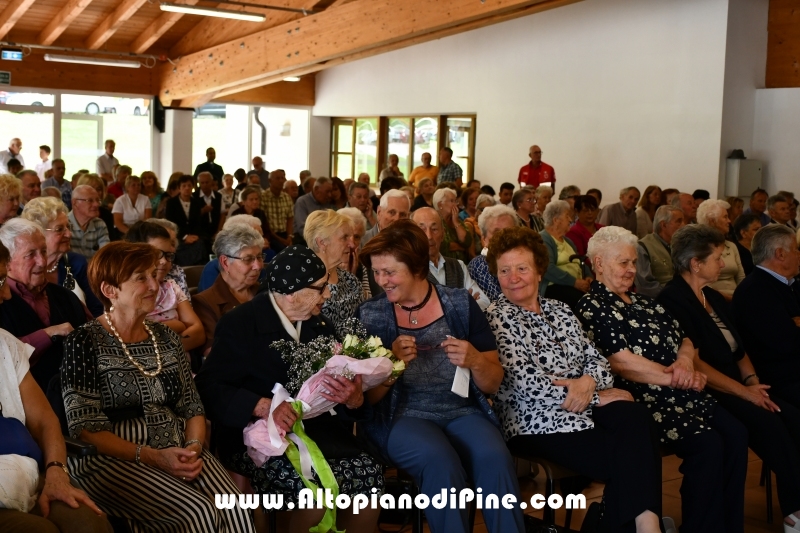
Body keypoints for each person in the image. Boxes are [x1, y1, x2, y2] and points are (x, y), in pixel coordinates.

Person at [58, 241, 253, 532]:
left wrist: (193, 448)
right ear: (110, 290)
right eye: (141, 278)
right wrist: (153, 457)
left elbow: (192, 406)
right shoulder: (85, 341)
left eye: (154, 275)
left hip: (177, 446)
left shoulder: (166, 337)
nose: (155, 284)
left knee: (237, 508)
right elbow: (85, 428)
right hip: (111, 457)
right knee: (197, 513)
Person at [485, 226, 665, 533]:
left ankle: (642, 525)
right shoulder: (498, 316)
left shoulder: (560, 309)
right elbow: (524, 382)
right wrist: (596, 396)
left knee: (635, 417)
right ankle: (644, 525)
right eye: (504, 270)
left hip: (580, 411)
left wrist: (589, 384)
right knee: (632, 460)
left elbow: (597, 362)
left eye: (521, 268)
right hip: (534, 421)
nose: (513, 277)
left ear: (540, 271)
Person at [195, 246, 382, 533]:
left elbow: (335, 384)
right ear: (292, 292)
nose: (328, 295)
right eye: (320, 288)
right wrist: (262, 406)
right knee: (311, 496)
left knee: (368, 477)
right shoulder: (241, 323)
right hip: (259, 437)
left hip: (318, 432)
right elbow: (209, 387)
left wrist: (354, 399)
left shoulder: (318, 323)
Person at [576, 226, 748, 533]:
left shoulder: (646, 303)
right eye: (623, 263)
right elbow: (621, 362)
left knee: (735, 434)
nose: (631, 270)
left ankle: (727, 526)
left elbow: (685, 339)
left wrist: (683, 361)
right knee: (707, 445)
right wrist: (677, 378)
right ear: (599, 264)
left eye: (633, 263)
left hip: (684, 389)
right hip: (646, 399)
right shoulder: (592, 306)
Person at [357, 220, 525, 533]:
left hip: (461, 408)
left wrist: (474, 359)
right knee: (440, 462)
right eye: (376, 272)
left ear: (417, 267)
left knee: (495, 457)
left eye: (389, 272)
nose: (382, 281)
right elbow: (366, 401)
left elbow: (493, 381)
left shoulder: (460, 304)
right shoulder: (371, 315)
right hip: (401, 415)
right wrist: (391, 364)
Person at [659, 224, 800, 533]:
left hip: (737, 384)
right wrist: (744, 392)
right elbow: (696, 362)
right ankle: (794, 513)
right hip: (708, 388)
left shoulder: (713, 297)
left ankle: (793, 508)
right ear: (696, 264)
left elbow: (739, 349)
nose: (723, 264)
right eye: (717, 258)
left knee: (789, 415)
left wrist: (751, 381)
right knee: (768, 422)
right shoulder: (673, 300)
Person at [0, 240, 111, 533]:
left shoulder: (5, 344)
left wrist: (57, 473)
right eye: (0, 280)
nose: (6, 293)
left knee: (90, 522)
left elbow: (45, 420)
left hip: (27, 480)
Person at [0, 218, 90, 390]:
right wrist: (48, 334)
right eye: (31, 255)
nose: (42, 261)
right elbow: (4, 359)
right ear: (7, 262)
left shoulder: (65, 296)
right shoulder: (2, 302)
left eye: (43, 251)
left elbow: (90, 334)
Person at [732, 224, 800, 410]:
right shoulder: (755, 291)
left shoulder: (790, 283)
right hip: (781, 379)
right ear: (780, 254)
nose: (799, 254)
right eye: (796, 250)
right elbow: (787, 343)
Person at [124, 222, 205, 352]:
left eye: (168, 255)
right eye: (156, 253)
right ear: (135, 253)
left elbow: (198, 333)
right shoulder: (123, 291)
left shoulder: (171, 287)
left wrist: (161, 349)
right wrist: (178, 325)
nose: (163, 261)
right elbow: (132, 336)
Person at [22, 197, 104, 317]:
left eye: (68, 227)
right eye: (59, 229)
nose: (69, 234)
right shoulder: (25, 270)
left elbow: (97, 308)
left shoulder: (77, 263)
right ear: (38, 233)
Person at [193, 223, 263, 356]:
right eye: (248, 259)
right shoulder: (205, 302)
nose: (258, 266)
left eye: (259, 257)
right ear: (225, 262)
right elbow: (214, 353)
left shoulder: (265, 292)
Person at [412, 207, 490, 309]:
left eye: (434, 229)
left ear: (443, 234)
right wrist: (463, 304)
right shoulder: (410, 270)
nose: (429, 236)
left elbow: (484, 301)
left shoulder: (458, 266)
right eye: (422, 229)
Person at [304, 210, 364, 331]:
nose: (352, 244)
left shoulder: (350, 280)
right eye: (344, 238)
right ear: (322, 243)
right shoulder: (304, 284)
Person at [540, 200, 592, 308]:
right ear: (556, 220)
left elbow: (580, 260)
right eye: (567, 216)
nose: (571, 219)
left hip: (575, 285)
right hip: (555, 287)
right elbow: (547, 268)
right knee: (585, 305)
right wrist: (574, 282)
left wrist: (588, 276)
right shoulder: (543, 239)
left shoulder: (567, 241)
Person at [468, 204, 517, 303]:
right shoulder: (479, 265)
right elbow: (501, 301)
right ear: (484, 239)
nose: (504, 237)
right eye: (497, 233)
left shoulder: (523, 260)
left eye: (509, 231)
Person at [696, 199, 744, 299]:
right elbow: (700, 283)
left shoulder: (731, 246)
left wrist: (742, 298)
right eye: (725, 217)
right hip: (711, 299)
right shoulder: (699, 247)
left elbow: (741, 278)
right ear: (712, 221)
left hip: (736, 298)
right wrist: (727, 298)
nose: (729, 221)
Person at [635, 205, 684, 298]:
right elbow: (646, 285)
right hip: (660, 300)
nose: (683, 225)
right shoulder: (643, 247)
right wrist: (674, 296)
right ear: (664, 225)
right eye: (679, 221)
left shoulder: (680, 245)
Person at [165, 175, 209, 266]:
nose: (187, 188)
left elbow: (198, 222)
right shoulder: (171, 203)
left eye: (189, 186)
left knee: (201, 244)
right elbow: (171, 223)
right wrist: (184, 237)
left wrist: (194, 236)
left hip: (194, 236)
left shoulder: (196, 203)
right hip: (178, 236)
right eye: (184, 186)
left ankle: (197, 269)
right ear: (179, 188)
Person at [338, 207, 371, 299]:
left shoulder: (361, 263)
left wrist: (352, 278)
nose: (352, 244)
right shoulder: (325, 264)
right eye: (346, 236)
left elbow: (368, 301)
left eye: (356, 237)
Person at [434, 187, 473, 262]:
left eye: (456, 201)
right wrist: (460, 247)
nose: (456, 204)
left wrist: (455, 222)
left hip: (462, 264)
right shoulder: (435, 222)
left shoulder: (457, 220)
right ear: (440, 205)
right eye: (452, 201)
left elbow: (467, 242)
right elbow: (441, 246)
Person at [259, 168, 293, 251]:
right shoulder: (263, 197)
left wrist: (289, 236)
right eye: (278, 178)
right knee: (282, 250)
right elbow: (264, 223)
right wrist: (280, 240)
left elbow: (290, 218)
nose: (281, 181)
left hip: (285, 234)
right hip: (270, 235)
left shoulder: (286, 197)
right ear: (270, 181)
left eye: (282, 178)